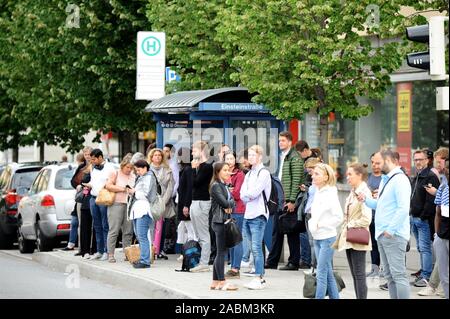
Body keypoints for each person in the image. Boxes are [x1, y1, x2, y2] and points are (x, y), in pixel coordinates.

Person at [358, 149, 411, 299]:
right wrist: (366, 200)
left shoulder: (400, 180)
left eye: (378, 162)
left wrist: (390, 230)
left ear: (389, 161)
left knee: (398, 275)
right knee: (389, 276)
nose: (376, 165)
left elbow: (403, 208)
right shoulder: (386, 179)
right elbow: (381, 205)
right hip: (383, 234)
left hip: (393, 235)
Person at [266, 131, 304, 271]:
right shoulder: (284, 156)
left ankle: (293, 262)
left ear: (289, 142)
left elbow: (296, 181)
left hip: (289, 199)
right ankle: (273, 261)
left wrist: (292, 200)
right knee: (278, 231)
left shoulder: (295, 158)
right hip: (281, 199)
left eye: (282, 140)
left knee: (291, 232)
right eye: (279, 140)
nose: (280, 143)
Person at [333, 163, 372, 299]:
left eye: (350, 174)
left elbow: (367, 219)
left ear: (359, 175)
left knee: (359, 274)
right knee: (355, 274)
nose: (347, 177)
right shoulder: (353, 191)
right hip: (350, 235)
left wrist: (350, 225)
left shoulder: (364, 192)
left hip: (358, 235)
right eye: (347, 174)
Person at [308, 163, 343, 299]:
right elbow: (315, 214)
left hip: (327, 238)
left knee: (321, 273)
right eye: (313, 173)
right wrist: (313, 224)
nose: (313, 175)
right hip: (317, 237)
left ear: (326, 177)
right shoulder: (317, 191)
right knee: (327, 273)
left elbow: (339, 217)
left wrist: (321, 224)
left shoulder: (330, 193)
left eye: (317, 174)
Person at [240, 145, 271, 290]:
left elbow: (255, 192)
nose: (250, 157)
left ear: (260, 156)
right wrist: (247, 195)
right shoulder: (249, 174)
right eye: (249, 155)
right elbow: (242, 194)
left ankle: (259, 277)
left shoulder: (263, 173)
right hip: (248, 213)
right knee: (252, 247)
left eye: (253, 155)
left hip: (259, 214)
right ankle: (258, 276)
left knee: (256, 247)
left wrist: (248, 195)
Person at [409, 149, 440, 287]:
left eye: (420, 159)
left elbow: (431, 201)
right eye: (415, 160)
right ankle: (423, 274)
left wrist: (422, 217)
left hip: (423, 220)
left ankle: (426, 276)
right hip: (413, 218)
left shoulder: (430, 176)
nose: (418, 162)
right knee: (421, 248)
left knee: (425, 248)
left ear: (427, 160)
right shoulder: (417, 176)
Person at [209, 162, 238, 291]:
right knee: (221, 253)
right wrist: (230, 204)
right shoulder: (216, 186)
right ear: (217, 172)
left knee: (220, 252)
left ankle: (215, 281)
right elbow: (226, 203)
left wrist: (230, 204)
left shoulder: (223, 185)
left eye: (228, 170)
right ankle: (222, 281)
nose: (228, 172)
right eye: (224, 170)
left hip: (222, 221)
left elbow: (232, 203)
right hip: (219, 222)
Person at [85, 149, 116, 261]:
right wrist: (88, 185)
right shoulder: (93, 167)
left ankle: (107, 252)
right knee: (97, 226)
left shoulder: (110, 167)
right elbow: (93, 181)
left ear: (100, 157)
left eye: (93, 159)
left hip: (104, 199)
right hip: (93, 198)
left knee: (105, 225)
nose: (92, 161)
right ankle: (99, 250)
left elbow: (111, 182)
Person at [105, 153, 136, 263]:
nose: (129, 169)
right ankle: (111, 254)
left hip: (129, 205)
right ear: (122, 165)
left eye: (131, 168)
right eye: (127, 167)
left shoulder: (133, 175)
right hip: (116, 204)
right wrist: (123, 189)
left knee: (128, 231)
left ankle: (127, 254)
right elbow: (108, 186)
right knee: (114, 230)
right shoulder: (115, 173)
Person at [189, 141, 214, 272]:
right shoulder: (199, 166)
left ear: (202, 151)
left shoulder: (207, 167)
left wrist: (193, 169)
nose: (192, 152)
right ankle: (200, 261)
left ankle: (204, 263)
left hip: (202, 202)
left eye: (194, 150)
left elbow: (196, 183)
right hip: (195, 201)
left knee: (203, 234)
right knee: (198, 234)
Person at [128, 160, 157, 268]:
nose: (138, 172)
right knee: (140, 236)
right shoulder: (141, 177)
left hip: (144, 210)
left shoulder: (149, 177)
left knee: (142, 236)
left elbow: (147, 195)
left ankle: (145, 261)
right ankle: (143, 258)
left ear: (145, 168)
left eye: (139, 170)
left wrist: (134, 192)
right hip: (138, 210)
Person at [148, 148, 175, 260]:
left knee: (162, 227)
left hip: (165, 201)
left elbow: (170, 186)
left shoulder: (167, 169)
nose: (158, 157)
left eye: (159, 155)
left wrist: (163, 201)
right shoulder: (147, 169)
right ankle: (151, 249)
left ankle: (160, 249)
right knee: (151, 226)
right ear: (151, 157)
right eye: (155, 155)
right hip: (151, 202)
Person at [224, 151, 246, 279]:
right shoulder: (224, 174)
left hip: (238, 210)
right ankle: (232, 265)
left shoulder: (239, 174)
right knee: (231, 239)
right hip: (227, 210)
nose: (229, 160)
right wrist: (228, 189)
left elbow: (237, 194)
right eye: (227, 158)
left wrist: (227, 190)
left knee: (236, 239)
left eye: (231, 158)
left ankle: (236, 268)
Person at [299, 157, 322, 270]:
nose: (310, 174)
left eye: (310, 171)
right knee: (311, 241)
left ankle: (316, 266)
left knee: (315, 242)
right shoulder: (313, 181)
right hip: (309, 212)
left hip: (314, 213)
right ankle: (315, 266)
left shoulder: (321, 181)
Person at [175, 147, 196, 261]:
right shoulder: (184, 169)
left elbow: (189, 189)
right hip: (183, 203)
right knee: (183, 228)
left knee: (190, 230)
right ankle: (186, 252)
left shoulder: (187, 170)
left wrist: (186, 205)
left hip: (185, 204)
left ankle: (190, 253)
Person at [63, 152, 86, 251]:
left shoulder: (84, 168)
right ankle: (72, 243)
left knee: (77, 222)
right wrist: (78, 186)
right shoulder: (80, 168)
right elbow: (73, 181)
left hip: (83, 197)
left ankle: (77, 245)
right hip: (79, 198)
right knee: (74, 221)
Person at [433, 159, 449, 299]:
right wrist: (437, 235)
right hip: (442, 236)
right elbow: (437, 212)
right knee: (444, 276)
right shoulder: (443, 187)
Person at [366, 152, 383, 278]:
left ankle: (384, 269)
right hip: (369, 215)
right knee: (373, 244)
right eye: (372, 162)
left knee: (382, 243)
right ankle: (374, 268)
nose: (374, 165)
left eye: (377, 163)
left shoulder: (386, 178)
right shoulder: (367, 177)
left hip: (381, 216)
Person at [162, 144, 179, 255]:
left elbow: (176, 182)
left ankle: (169, 246)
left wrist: (170, 196)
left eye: (167, 151)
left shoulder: (174, 165)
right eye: (164, 151)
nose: (165, 153)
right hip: (162, 197)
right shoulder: (163, 164)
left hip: (171, 198)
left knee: (170, 223)